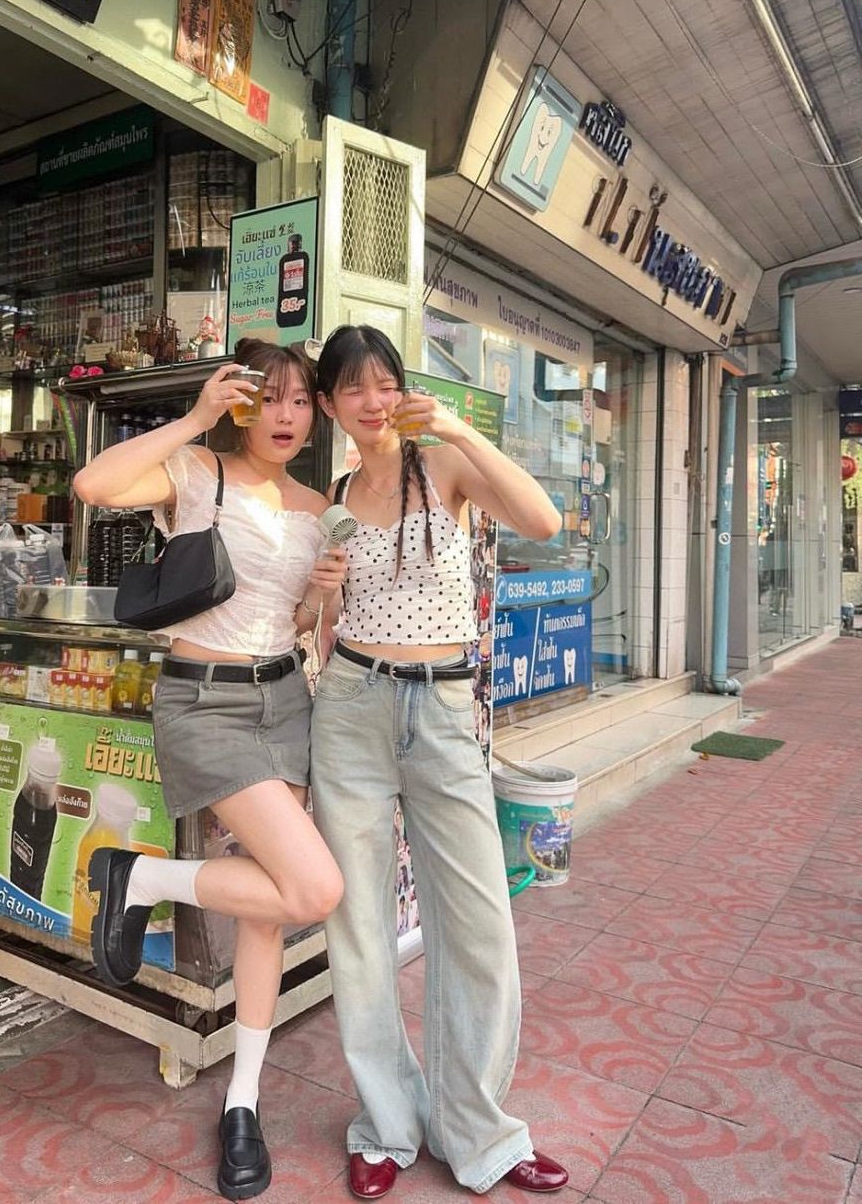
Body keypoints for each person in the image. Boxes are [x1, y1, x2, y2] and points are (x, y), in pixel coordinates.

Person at [72, 339, 346, 1202]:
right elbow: (93, 485)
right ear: (241, 404)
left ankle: (242, 1100)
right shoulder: (196, 473)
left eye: (300, 401)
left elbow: (302, 624)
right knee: (312, 890)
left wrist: (323, 596)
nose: (285, 417)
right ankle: (140, 877)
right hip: (203, 701)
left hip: (286, 699)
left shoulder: (318, 506)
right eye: (270, 398)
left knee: (268, 909)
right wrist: (192, 418)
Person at [311, 325, 569, 1199]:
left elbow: (542, 520)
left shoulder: (446, 466)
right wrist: (321, 594)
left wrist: (459, 428)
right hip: (351, 706)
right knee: (359, 925)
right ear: (328, 405)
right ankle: (386, 1125)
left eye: (385, 382)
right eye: (353, 388)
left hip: (446, 708)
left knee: (479, 923)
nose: (373, 401)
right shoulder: (335, 494)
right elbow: (326, 619)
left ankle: (478, 1130)